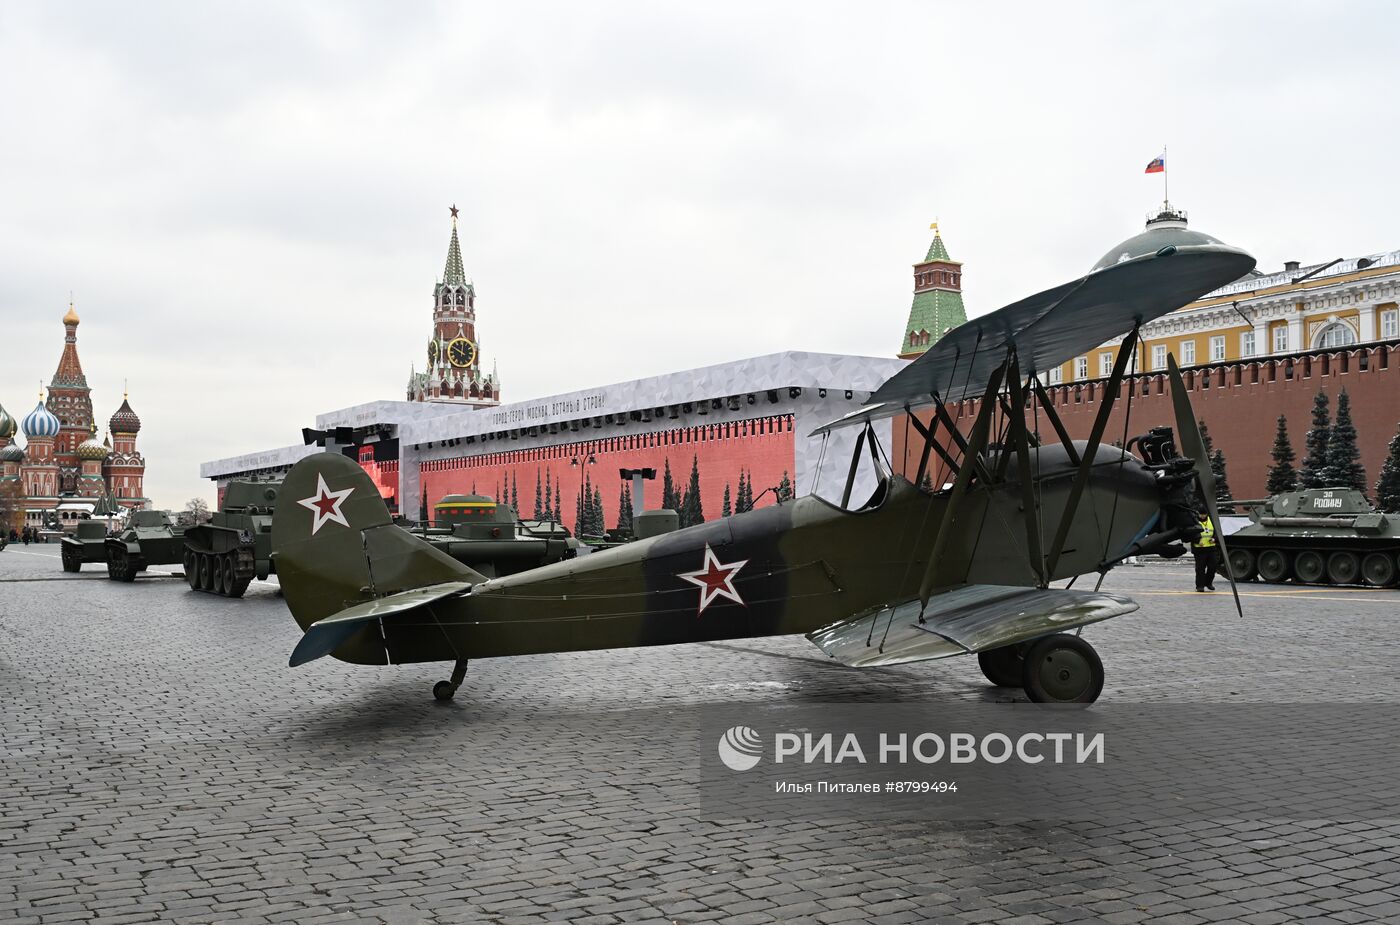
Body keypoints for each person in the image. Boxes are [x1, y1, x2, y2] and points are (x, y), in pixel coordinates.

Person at [1191, 510, 1217, 592]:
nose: (1202, 516)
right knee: (1200, 569)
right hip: (1199, 549)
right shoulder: (1194, 521)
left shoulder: (1211, 520)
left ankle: (1209, 583)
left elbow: (1216, 532)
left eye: (1204, 514)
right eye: (1201, 514)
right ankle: (1200, 586)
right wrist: (1197, 541)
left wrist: (1214, 539)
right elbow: (1190, 534)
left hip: (1211, 548)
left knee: (1212, 567)